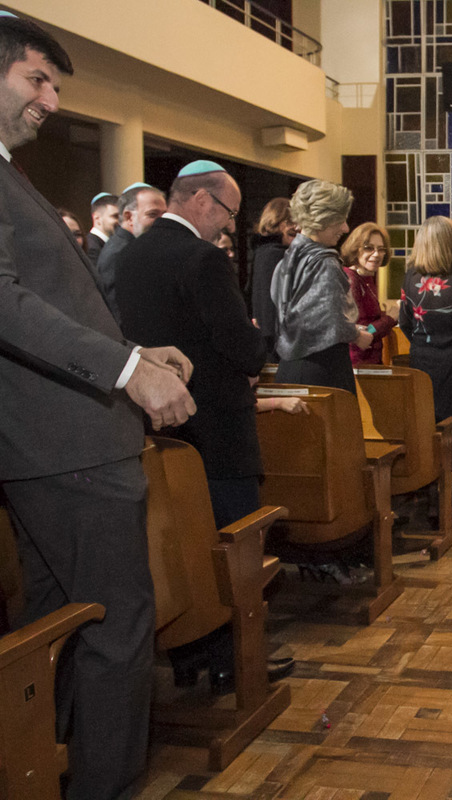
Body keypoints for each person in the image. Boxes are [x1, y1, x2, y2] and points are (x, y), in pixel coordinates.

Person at [0, 15, 195, 797]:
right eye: (36, 79)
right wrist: (124, 372)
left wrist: (136, 354)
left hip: (63, 442)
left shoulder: (13, 174)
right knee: (117, 635)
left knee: (61, 633)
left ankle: (54, 774)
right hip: (69, 447)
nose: (50, 99)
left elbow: (53, 305)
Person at [111, 160, 293, 694]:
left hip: (160, 429)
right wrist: (256, 340)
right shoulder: (202, 259)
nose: (229, 228)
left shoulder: (132, 254)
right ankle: (237, 660)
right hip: (217, 428)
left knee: (180, 546)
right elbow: (239, 348)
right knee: (233, 546)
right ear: (202, 202)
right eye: (229, 215)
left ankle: (191, 653)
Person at [398, 216, 452, 533]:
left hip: (421, 361)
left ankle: (434, 504)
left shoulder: (410, 277)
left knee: (430, 433)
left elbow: (404, 322)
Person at [271, 179, 369, 394]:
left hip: (288, 366)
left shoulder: (287, 258)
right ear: (323, 219)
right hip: (322, 369)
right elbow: (331, 322)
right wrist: (356, 335)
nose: (345, 228)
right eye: (340, 220)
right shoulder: (324, 262)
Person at [96, 181, 166, 318]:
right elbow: (116, 312)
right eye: (153, 214)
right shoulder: (119, 253)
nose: (162, 221)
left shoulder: (135, 247)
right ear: (129, 217)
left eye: (164, 215)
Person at [342, 222, 398, 366]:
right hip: (357, 365)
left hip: (371, 362)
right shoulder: (351, 279)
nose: (376, 254)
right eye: (369, 248)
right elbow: (366, 331)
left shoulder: (366, 278)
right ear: (355, 249)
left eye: (381, 249)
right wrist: (391, 318)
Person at [249, 196, 297, 359]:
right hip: (277, 346)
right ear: (279, 223)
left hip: (271, 342)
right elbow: (271, 305)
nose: (297, 228)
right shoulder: (275, 255)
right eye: (292, 222)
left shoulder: (264, 252)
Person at [86, 190, 118, 261]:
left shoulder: (110, 244)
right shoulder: (91, 249)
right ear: (97, 218)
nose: (119, 221)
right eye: (115, 216)